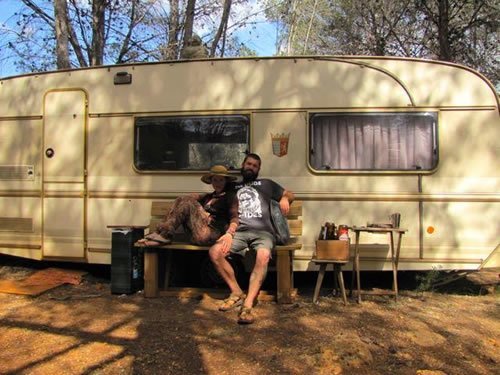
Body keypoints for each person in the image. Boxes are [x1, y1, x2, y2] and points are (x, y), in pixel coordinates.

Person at [209, 153, 295, 324]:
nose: (251, 167)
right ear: (243, 164)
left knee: (262, 256)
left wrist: (285, 198)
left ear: (258, 169)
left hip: (263, 233)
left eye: (255, 166)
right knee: (215, 252)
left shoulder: (267, 184)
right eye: (249, 164)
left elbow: (290, 193)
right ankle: (236, 292)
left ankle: (248, 304)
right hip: (238, 232)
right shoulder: (232, 186)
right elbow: (216, 190)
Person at [138, 165, 238, 251]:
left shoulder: (230, 197)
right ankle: (160, 233)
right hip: (197, 233)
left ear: (226, 181)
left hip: (213, 235)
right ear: (211, 181)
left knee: (188, 203)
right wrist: (191, 197)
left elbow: (234, 218)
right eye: (215, 180)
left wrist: (229, 234)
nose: (218, 183)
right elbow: (189, 199)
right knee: (181, 199)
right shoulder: (209, 197)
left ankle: (165, 235)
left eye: (221, 180)